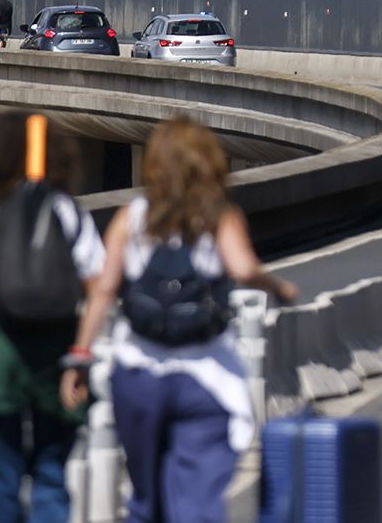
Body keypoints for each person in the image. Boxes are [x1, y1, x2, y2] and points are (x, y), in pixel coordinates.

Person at [61, 117, 298, 523]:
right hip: (203, 377)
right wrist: (279, 287)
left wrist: (80, 355)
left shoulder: (132, 216)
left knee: (145, 498)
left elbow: (103, 291)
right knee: (195, 502)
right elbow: (243, 268)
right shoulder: (220, 216)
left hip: (138, 375)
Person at [0, 111, 104, 523]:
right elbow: (98, 283)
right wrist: (81, 350)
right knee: (52, 465)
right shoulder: (66, 211)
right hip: (56, 351)